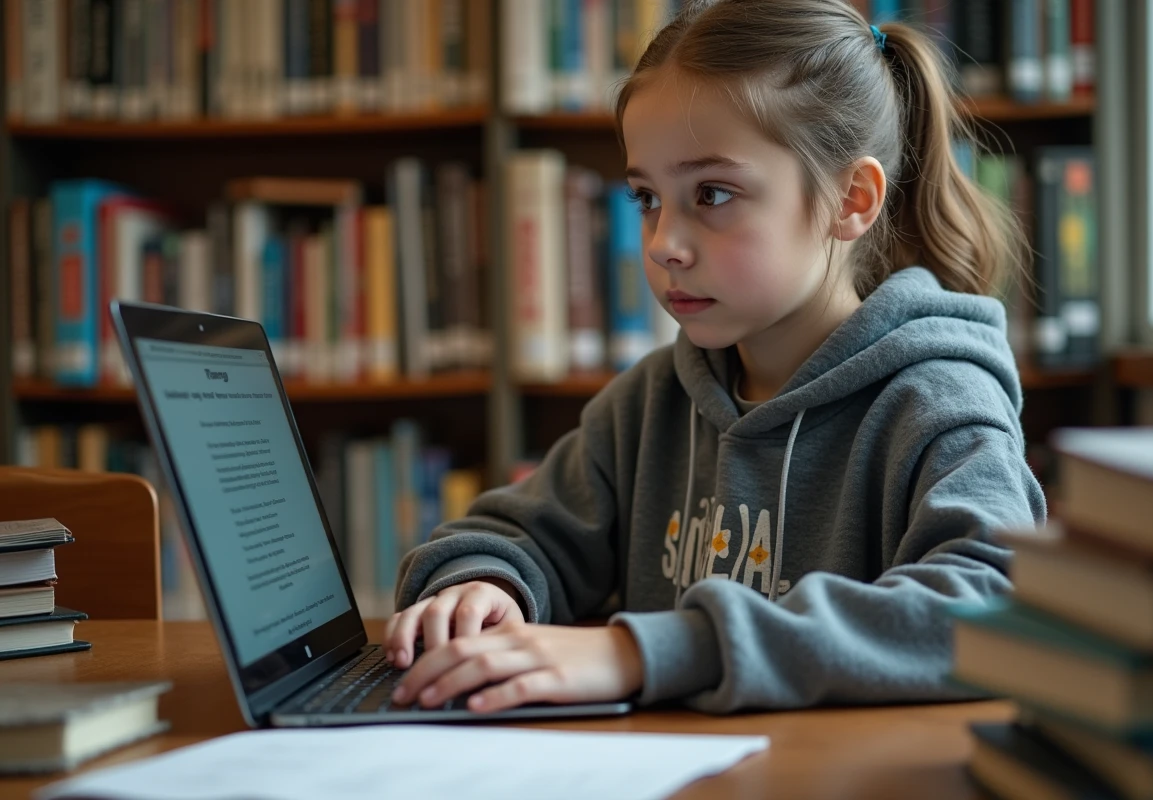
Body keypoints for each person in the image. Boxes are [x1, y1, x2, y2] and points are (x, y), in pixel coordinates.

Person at [383, 0, 1046, 715]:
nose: (665, 241)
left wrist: (645, 651)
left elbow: (997, 610)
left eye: (713, 193)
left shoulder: (938, 402)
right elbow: (511, 534)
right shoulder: (652, 401)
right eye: (646, 199)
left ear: (850, 200)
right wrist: (479, 587)